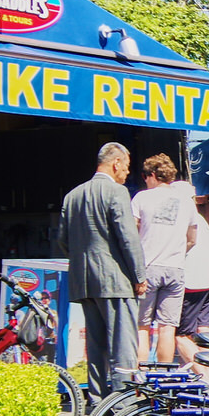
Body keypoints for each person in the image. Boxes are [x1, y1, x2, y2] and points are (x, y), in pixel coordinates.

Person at [60, 141, 146, 396]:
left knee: (95, 345)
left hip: (85, 281)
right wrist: (139, 276)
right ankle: (123, 402)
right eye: (127, 167)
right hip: (115, 279)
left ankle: (97, 399)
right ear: (116, 163)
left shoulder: (73, 195)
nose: (127, 173)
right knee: (122, 344)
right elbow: (128, 237)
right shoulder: (116, 192)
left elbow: (63, 240)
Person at [132, 153, 198, 365]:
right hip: (175, 268)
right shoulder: (187, 202)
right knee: (167, 327)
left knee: (142, 326)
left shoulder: (142, 198)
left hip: (147, 268)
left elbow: (132, 233)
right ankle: (163, 376)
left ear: (152, 175)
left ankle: (140, 379)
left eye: (145, 176)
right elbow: (192, 239)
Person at [176, 210, 209, 378]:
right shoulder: (200, 218)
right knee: (204, 331)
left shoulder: (179, 215)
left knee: (181, 335)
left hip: (192, 279)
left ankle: (203, 379)